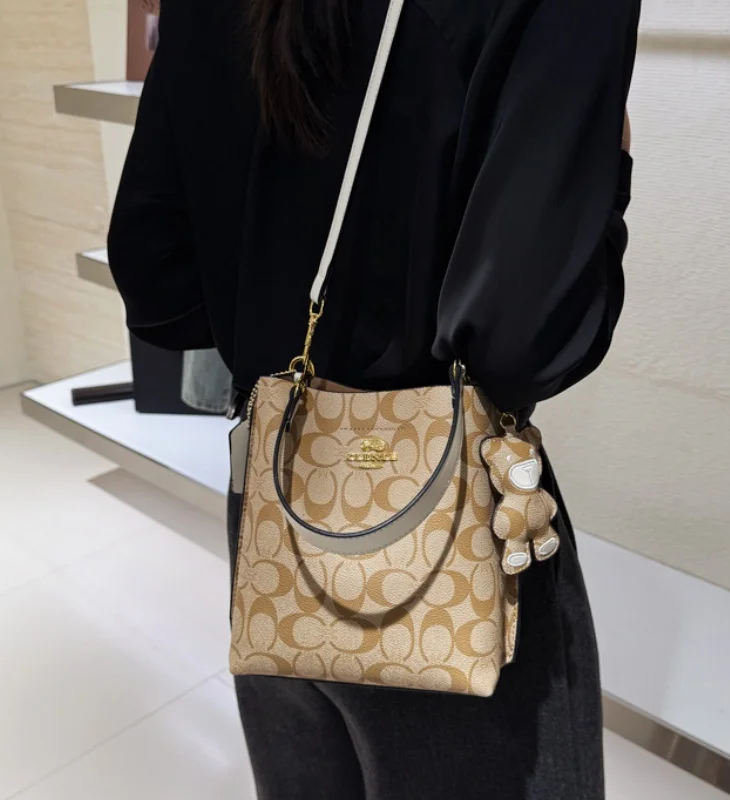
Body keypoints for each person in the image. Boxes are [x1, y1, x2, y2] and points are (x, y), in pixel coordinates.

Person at [108, 0, 640, 797]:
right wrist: (610, 177)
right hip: (446, 531)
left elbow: (158, 279)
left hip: (276, 510)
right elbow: (522, 345)